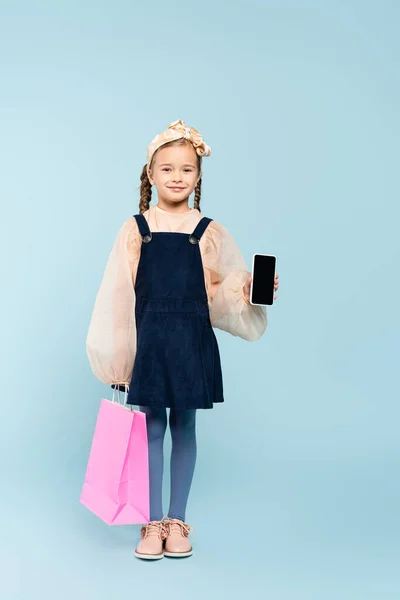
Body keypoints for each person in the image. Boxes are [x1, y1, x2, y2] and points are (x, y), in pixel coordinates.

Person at [86, 119, 279, 560]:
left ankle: (178, 520)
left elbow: (219, 290)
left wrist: (247, 290)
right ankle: (151, 524)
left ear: (198, 176)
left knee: (185, 427)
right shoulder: (135, 228)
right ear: (151, 174)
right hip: (150, 343)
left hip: (191, 342)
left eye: (187, 169)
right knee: (152, 428)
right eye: (168, 169)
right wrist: (120, 359)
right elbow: (117, 295)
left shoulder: (209, 230)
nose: (177, 177)